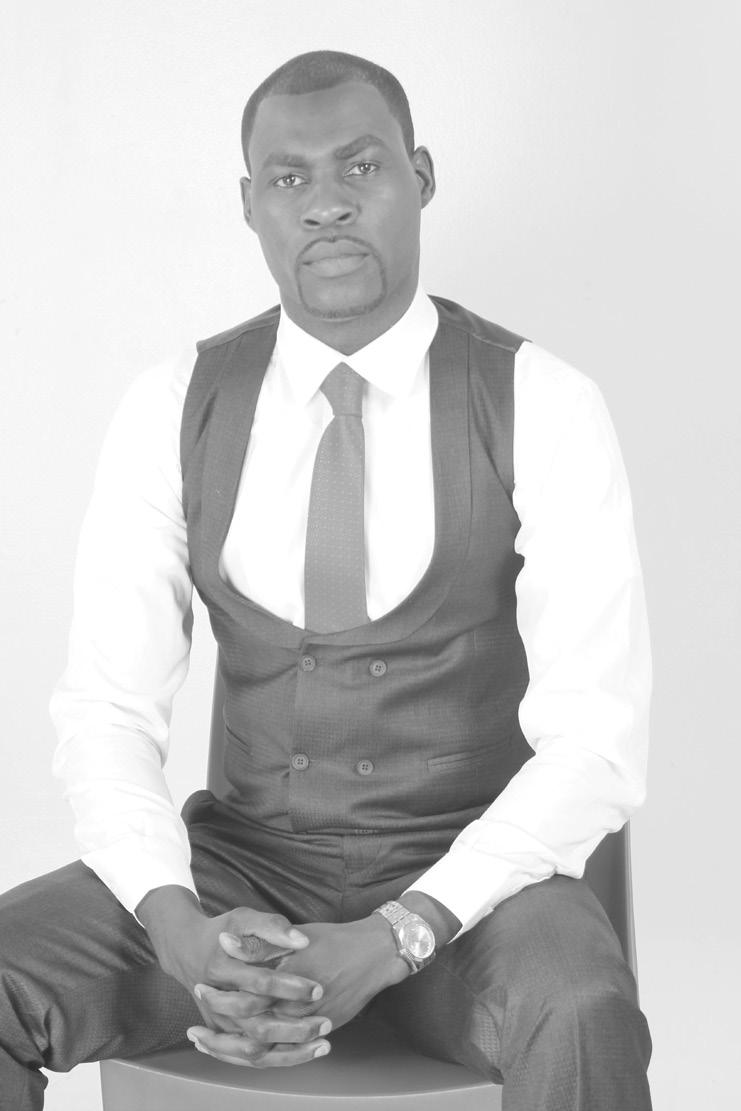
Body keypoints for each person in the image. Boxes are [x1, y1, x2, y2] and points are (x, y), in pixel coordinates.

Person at [0, 50, 653, 1110]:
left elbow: (597, 739)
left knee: (577, 1006)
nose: (326, 204)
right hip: (242, 875)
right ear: (249, 204)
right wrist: (175, 921)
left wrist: (404, 930)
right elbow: (107, 708)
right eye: (289, 178)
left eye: (361, 166)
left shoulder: (542, 401)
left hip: (475, 888)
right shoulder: (174, 404)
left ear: (420, 177)